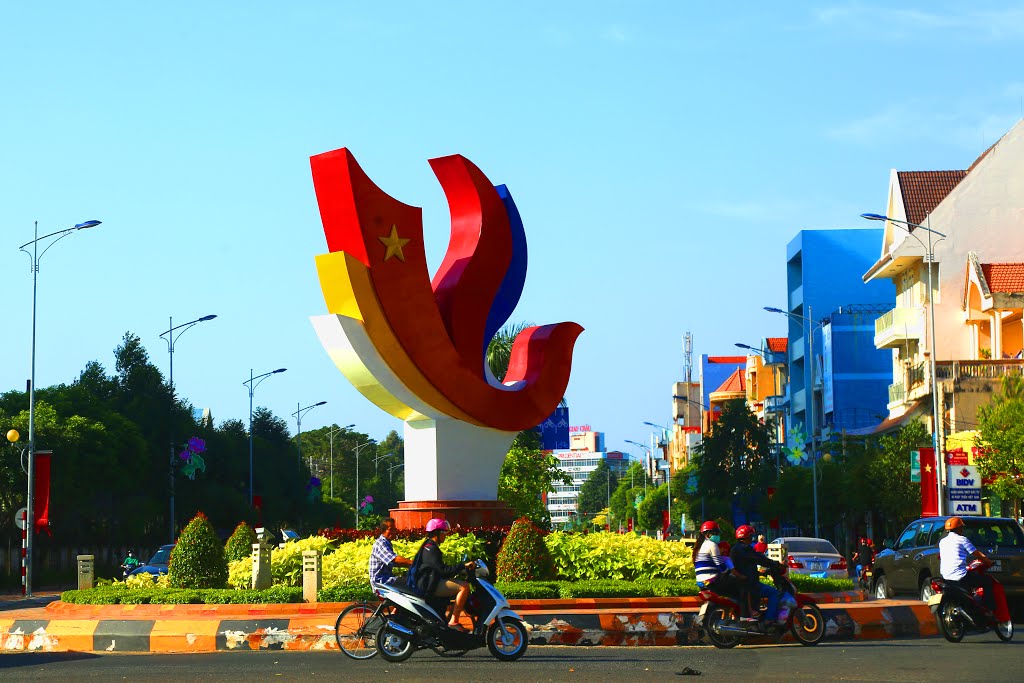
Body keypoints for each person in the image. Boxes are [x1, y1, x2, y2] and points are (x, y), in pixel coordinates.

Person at [938, 516, 1011, 629]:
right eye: (961, 528)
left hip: (946, 577)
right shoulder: (962, 539)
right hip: (960, 576)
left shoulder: (942, 542)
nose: (962, 530)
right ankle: (990, 610)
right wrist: (989, 562)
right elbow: (977, 554)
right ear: (959, 529)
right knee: (987, 581)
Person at [408, 518, 476, 631]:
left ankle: (447, 621)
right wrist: (462, 566)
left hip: (429, 582)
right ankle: (453, 622)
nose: (445, 536)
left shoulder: (428, 546)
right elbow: (442, 570)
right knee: (464, 587)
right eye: (444, 533)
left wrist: (459, 569)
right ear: (437, 533)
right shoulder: (431, 549)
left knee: (457, 585)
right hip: (428, 585)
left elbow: (439, 568)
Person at [730, 524, 784, 622]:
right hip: (749, 584)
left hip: (744, 582)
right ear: (748, 537)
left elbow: (750, 563)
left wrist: (763, 571)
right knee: (773, 593)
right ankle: (769, 620)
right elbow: (759, 558)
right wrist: (775, 564)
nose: (752, 539)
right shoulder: (745, 549)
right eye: (751, 536)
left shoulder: (735, 548)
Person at [368, 517, 413, 586]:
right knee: (413, 583)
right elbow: (394, 560)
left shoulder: (387, 543)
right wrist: (414, 563)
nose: (393, 532)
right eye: (391, 529)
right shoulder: (381, 543)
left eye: (394, 529)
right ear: (383, 530)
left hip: (387, 579)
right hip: (381, 582)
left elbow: (395, 563)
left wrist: (410, 566)